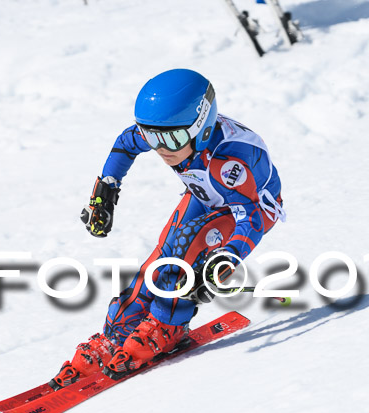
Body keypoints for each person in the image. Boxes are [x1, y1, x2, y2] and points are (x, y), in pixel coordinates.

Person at [50, 68, 286, 388]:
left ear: (201, 125)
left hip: (247, 208)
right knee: (161, 257)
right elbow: (126, 143)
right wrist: (105, 192)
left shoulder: (231, 160)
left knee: (184, 252)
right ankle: (116, 334)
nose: (162, 149)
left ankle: (167, 326)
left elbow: (251, 219)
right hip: (205, 196)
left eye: (171, 138)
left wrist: (226, 257)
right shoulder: (172, 134)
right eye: (152, 137)